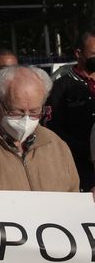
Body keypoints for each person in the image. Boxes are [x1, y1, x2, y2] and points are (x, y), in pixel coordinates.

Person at [47, 30, 95, 191]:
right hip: (78, 166)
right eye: (94, 54)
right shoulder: (61, 87)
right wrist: (87, 150)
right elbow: (53, 128)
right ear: (78, 53)